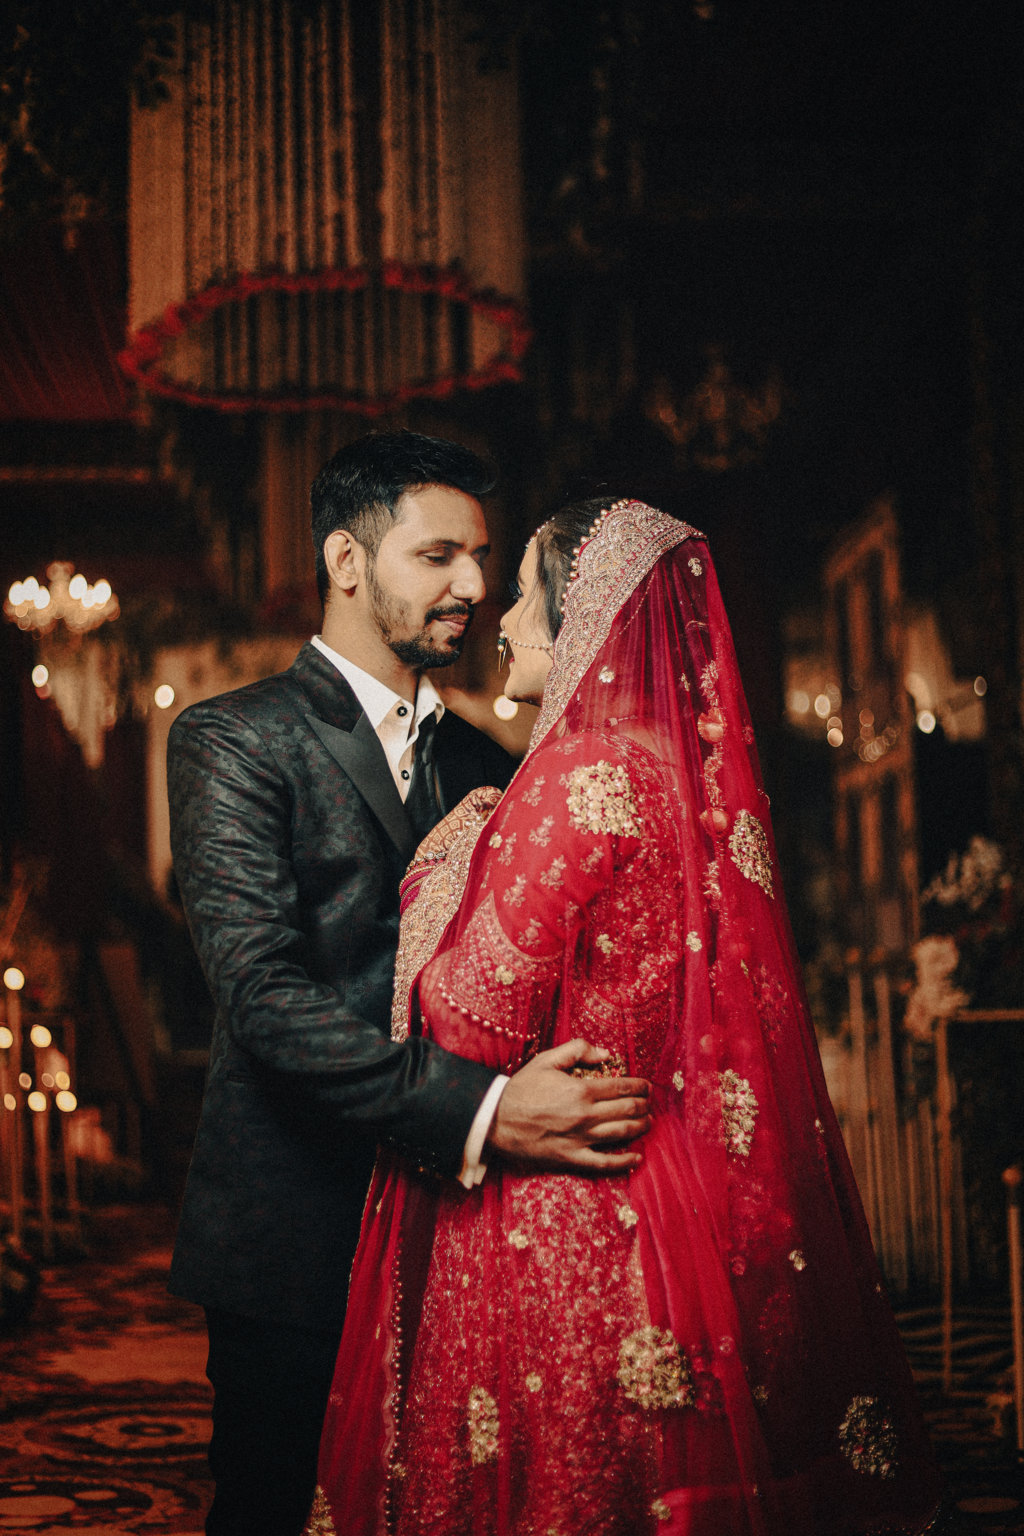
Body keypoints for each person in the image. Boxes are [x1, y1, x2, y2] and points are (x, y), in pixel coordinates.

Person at [311, 496, 944, 1536]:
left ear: (585, 617)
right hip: (665, 1185)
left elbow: (473, 1019)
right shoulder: (670, 775)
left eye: (523, 594)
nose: (503, 618)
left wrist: (440, 868)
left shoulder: (572, 775)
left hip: (556, 1202)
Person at [166, 435, 651, 1536]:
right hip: (298, 1228)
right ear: (347, 559)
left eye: (481, 558)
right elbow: (262, 999)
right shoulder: (233, 740)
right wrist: (487, 1109)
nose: (473, 587)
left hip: (467, 1228)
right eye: (437, 555)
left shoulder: (492, 762)